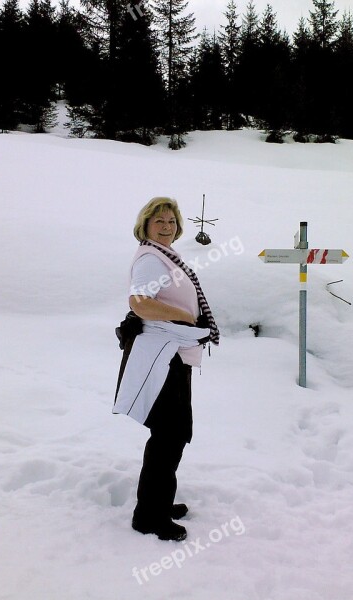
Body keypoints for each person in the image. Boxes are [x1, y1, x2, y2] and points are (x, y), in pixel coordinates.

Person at [114, 197, 220, 542]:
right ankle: (149, 516)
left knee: (171, 433)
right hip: (163, 356)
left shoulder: (163, 256)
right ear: (144, 225)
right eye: (159, 220)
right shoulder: (150, 258)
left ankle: (156, 502)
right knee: (169, 435)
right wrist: (185, 317)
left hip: (172, 353)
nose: (166, 226)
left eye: (171, 221)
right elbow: (140, 302)